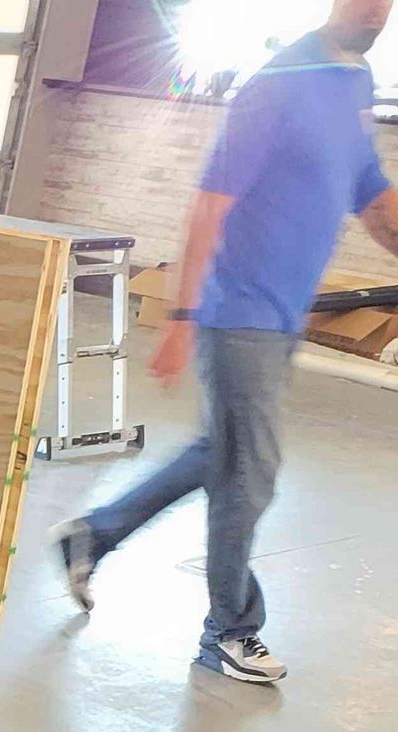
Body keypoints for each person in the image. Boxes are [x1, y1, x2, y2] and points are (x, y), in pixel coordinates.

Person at [55, 0, 398, 683]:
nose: (377, 11)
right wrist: (183, 315)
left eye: (386, 2)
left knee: (224, 454)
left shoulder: (353, 79)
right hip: (237, 310)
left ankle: (92, 535)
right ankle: (230, 633)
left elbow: (364, 184)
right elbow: (210, 203)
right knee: (250, 474)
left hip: (282, 313)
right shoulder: (275, 84)